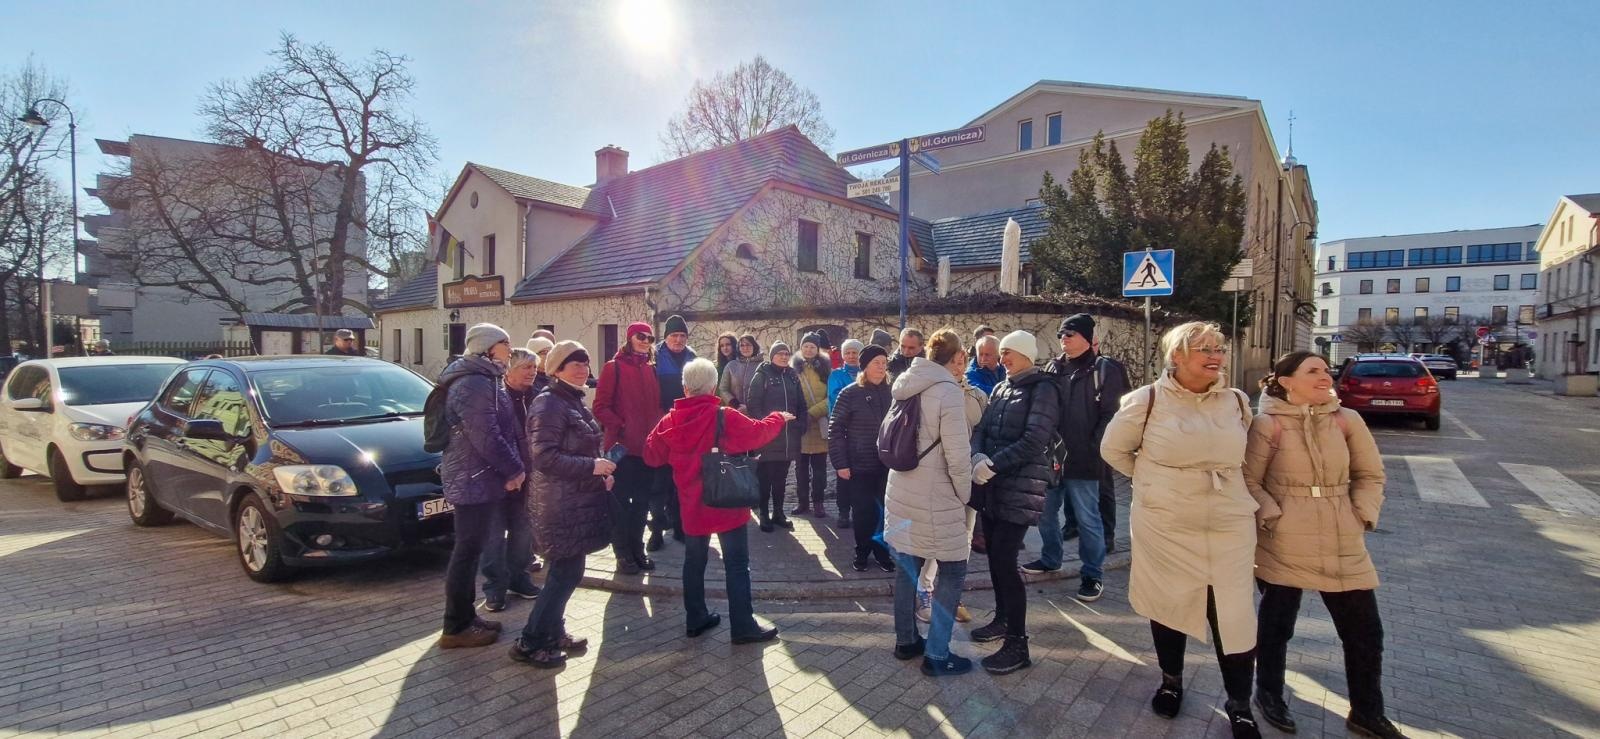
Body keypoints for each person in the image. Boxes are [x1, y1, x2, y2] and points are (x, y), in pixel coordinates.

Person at [1100, 321, 1262, 738]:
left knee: (1234, 611)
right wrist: (1156, 483)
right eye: (1203, 348)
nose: (1215, 356)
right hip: (1166, 520)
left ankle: (1240, 703)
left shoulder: (1237, 403)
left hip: (1228, 518)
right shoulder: (1146, 400)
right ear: (1177, 356)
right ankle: (1171, 681)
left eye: (1219, 348)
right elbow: (1113, 449)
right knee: (1169, 602)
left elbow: (1249, 456)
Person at [1245, 352, 1403, 739]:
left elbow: (1370, 474)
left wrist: (1361, 514)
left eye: (1325, 370)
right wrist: (1271, 516)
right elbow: (1249, 480)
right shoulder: (1267, 424)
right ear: (1286, 381)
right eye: (1312, 371)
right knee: (1276, 624)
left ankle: (1367, 710)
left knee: (1365, 630)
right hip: (1286, 536)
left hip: (1340, 534)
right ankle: (1269, 694)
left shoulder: (1347, 420)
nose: (1324, 375)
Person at [645, 358, 788, 645]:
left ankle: (695, 618)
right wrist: (779, 418)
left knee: (693, 562)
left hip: (691, 504)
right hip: (727, 501)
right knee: (736, 564)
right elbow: (759, 433)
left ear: (684, 388)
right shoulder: (725, 416)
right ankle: (743, 625)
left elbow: (652, 456)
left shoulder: (670, 420)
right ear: (713, 386)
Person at [512, 341, 616, 668]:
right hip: (558, 503)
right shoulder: (549, 404)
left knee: (567, 570)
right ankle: (530, 642)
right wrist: (591, 467)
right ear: (557, 369)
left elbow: (580, 448)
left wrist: (599, 470)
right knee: (564, 573)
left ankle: (554, 632)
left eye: (585, 362)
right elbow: (544, 457)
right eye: (574, 363)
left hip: (575, 499)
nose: (583, 368)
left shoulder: (570, 400)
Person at [883, 329, 975, 676]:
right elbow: (957, 454)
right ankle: (937, 655)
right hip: (936, 494)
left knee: (908, 568)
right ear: (953, 359)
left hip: (901, 487)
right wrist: (966, 496)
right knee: (953, 570)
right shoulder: (948, 391)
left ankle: (906, 641)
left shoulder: (906, 382)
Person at [968, 330, 1058, 675]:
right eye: (1001, 353)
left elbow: (1036, 438)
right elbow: (983, 427)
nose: (1003, 359)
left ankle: (1018, 644)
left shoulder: (1043, 388)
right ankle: (1003, 620)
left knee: (1006, 562)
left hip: (1019, 486)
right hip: (993, 485)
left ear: (1026, 355)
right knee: (994, 557)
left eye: (1009, 353)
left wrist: (993, 463)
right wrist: (978, 454)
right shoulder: (1003, 386)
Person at [436, 324, 527, 649]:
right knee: (467, 550)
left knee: (470, 549)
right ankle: (456, 626)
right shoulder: (474, 382)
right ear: (488, 347)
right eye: (505, 343)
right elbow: (486, 435)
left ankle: (464, 618)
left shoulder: (484, 378)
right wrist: (515, 467)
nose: (510, 348)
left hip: (478, 476)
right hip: (473, 477)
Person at [1024, 314, 1127, 602]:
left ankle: (1092, 574)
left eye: (1069, 334)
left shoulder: (1104, 369)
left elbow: (1112, 414)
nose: (1063, 339)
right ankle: (1050, 558)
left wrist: (1095, 448)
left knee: (1087, 519)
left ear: (1085, 337)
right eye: (1060, 335)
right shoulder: (1053, 368)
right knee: (1045, 513)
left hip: (1085, 459)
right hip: (1053, 456)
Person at [917, 335, 987, 625]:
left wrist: (965, 391)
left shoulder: (974, 394)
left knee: (964, 538)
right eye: (954, 362)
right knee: (936, 540)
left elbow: (976, 420)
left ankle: (951, 594)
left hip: (966, 472)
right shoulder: (931, 390)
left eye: (963, 363)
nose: (959, 368)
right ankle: (926, 590)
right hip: (940, 477)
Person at [592, 322, 664, 575]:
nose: (645, 341)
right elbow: (600, 407)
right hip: (622, 449)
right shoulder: (614, 367)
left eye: (649, 337)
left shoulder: (651, 369)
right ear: (630, 338)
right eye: (640, 336)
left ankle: (637, 548)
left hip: (646, 449)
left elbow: (656, 407)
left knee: (642, 504)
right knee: (620, 504)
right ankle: (622, 553)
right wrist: (621, 426)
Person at [478, 348, 541, 612]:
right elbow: (490, 441)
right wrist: (508, 473)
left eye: (534, 367)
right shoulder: (495, 398)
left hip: (529, 477)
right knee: (493, 536)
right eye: (526, 367)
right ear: (509, 370)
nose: (532, 372)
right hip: (499, 479)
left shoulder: (538, 398)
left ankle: (519, 578)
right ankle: (494, 588)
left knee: (523, 532)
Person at [828, 344, 894, 572]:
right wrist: (841, 463)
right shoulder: (850, 393)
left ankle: (883, 551)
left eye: (884, 363)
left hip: (888, 465)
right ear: (865, 366)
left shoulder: (893, 392)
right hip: (860, 464)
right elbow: (835, 429)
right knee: (863, 512)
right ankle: (862, 550)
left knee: (886, 511)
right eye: (877, 363)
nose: (881, 367)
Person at [746, 341, 806, 532]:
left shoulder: (792, 376)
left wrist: (801, 425)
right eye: (779, 353)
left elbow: (802, 404)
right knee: (765, 478)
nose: (784, 356)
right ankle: (764, 513)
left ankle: (778, 513)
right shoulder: (761, 376)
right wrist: (764, 427)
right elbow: (753, 404)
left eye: (786, 353)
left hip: (789, 439)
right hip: (768, 438)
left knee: (781, 478)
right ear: (772, 356)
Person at [651, 315, 696, 547]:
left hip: (686, 429)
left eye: (682, 336)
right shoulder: (655, 357)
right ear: (666, 337)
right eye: (674, 335)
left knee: (682, 483)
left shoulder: (692, 357)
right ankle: (656, 532)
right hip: (661, 426)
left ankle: (680, 528)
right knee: (659, 483)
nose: (678, 340)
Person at [792, 332, 832, 518]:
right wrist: (800, 415)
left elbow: (830, 397)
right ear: (801, 348)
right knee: (800, 469)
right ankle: (802, 502)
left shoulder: (825, 369)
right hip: (800, 425)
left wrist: (813, 412)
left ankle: (818, 503)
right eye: (805, 346)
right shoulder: (793, 369)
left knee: (819, 470)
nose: (808, 349)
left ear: (817, 349)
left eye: (812, 347)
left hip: (819, 425)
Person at [826, 338, 864, 528]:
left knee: (862, 474)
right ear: (842, 355)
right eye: (847, 352)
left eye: (854, 352)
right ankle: (843, 510)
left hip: (864, 431)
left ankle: (859, 509)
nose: (851, 356)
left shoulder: (867, 373)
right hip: (844, 428)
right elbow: (835, 398)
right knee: (844, 471)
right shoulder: (836, 375)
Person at [718, 334, 762, 412]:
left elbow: (767, 391)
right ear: (738, 348)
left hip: (756, 413)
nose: (745, 348)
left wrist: (750, 407)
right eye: (742, 345)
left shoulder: (763, 366)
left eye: (748, 345)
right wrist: (735, 404)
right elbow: (723, 389)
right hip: (735, 412)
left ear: (754, 346)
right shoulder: (731, 366)